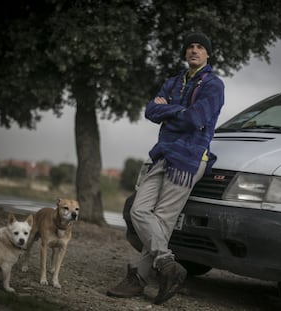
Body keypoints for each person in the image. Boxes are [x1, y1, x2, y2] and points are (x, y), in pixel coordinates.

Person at [107, 32, 225, 304]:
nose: (194, 50)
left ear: (208, 54)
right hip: (163, 155)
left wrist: (169, 108)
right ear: (185, 53)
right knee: (139, 209)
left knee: (162, 220)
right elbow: (150, 111)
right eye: (190, 47)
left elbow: (196, 118)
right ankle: (168, 264)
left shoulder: (214, 85)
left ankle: (137, 279)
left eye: (200, 47)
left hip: (189, 158)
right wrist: (178, 110)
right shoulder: (173, 82)